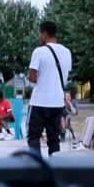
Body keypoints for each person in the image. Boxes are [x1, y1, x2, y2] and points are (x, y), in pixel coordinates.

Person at [27, 21, 72, 155]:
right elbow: (64, 74)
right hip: (57, 102)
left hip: (40, 101)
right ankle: (54, 166)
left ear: (45, 33)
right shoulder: (67, 52)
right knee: (54, 138)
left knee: (33, 136)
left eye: (40, 34)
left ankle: (36, 167)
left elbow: (32, 77)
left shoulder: (39, 51)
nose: (39, 37)